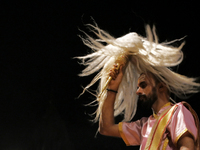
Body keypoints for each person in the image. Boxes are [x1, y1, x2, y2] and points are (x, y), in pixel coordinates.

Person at [77, 23, 200, 149]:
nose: (138, 91)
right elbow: (106, 128)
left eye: (143, 85)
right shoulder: (144, 126)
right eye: (138, 87)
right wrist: (113, 87)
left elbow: (187, 147)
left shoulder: (177, 112)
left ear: (161, 87)